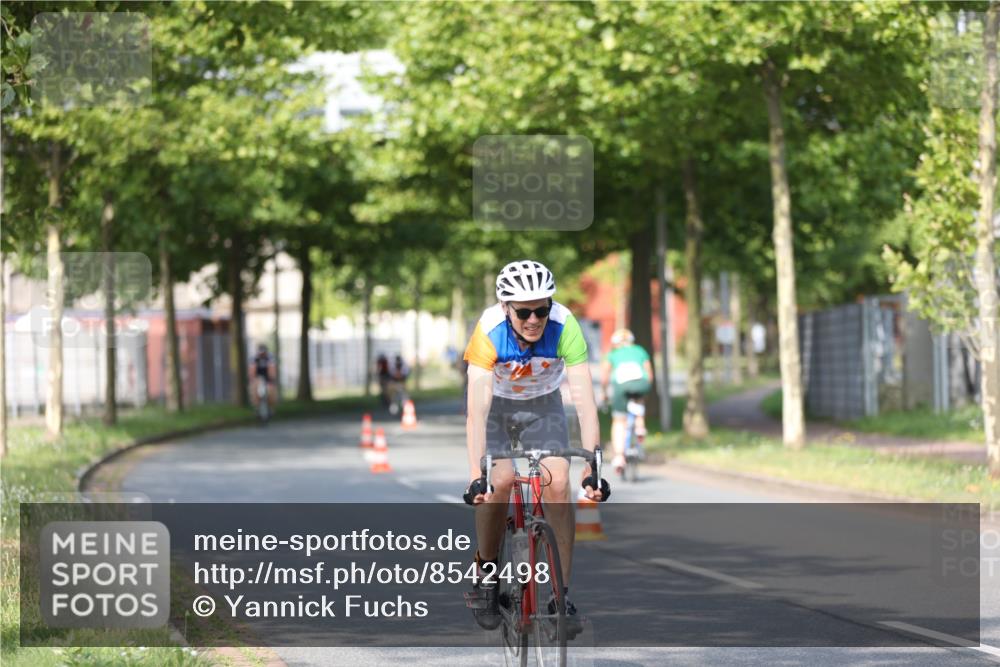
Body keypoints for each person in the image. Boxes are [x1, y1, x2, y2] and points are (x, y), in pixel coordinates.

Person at [462, 259, 607, 636]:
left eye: (541, 310)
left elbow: (585, 402)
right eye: (523, 312)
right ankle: (487, 574)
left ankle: (561, 597)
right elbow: (476, 413)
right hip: (496, 407)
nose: (533, 320)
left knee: (557, 480)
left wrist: (593, 466)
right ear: (505, 307)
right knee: (500, 480)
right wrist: (476, 476)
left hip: (543, 405)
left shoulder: (564, 325)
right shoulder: (489, 330)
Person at [600, 328, 653, 474]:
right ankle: (640, 427)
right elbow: (649, 373)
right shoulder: (640, 350)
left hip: (622, 386)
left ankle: (619, 457)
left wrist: (604, 393)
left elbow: (605, 376)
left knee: (619, 421)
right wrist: (645, 391)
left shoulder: (613, 354)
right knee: (638, 402)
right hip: (641, 383)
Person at [249, 343, 276, 409]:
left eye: (263, 353)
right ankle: (257, 407)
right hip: (258, 376)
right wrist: (252, 379)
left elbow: (272, 368)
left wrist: (271, 379)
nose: (262, 354)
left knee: (271, 390)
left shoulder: (270, 357)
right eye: (261, 353)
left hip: (267, 376)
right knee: (254, 389)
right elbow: (252, 370)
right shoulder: (254, 358)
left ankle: (271, 407)